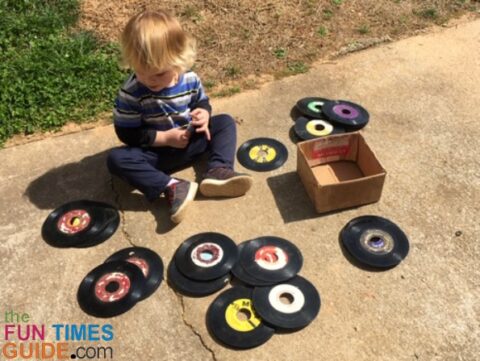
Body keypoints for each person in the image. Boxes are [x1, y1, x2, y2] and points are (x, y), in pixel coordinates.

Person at [107, 9, 252, 224]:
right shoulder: (131, 92)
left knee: (224, 123)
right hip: (156, 155)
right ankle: (172, 186)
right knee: (116, 159)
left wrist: (203, 113)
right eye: (140, 71)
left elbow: (201, 101)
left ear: (177, 60)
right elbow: (127, 133)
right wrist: (164, 139)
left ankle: (218, 170)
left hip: (191, 140)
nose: (150, 80)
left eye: (158, 74)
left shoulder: (189, 79)